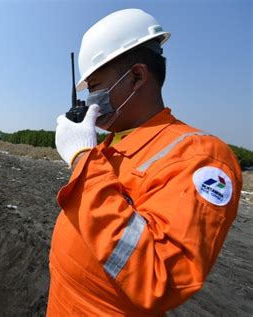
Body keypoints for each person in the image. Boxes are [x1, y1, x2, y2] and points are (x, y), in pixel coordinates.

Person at [49, 9, 242, 316]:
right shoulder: (111, 146)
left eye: (96, 86)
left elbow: (159, 278)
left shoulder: (200, 157)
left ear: (137, 76)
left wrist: (82, 158)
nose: (88, 101)